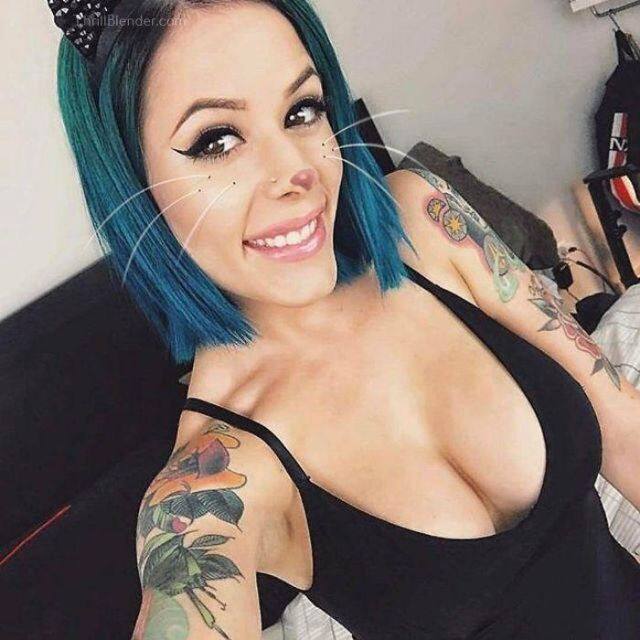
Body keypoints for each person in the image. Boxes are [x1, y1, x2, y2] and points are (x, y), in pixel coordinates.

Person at [49, 0, 640, 638]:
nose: (296, 171)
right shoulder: (210, 487)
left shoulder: (424, 224)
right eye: (216, 140)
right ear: (131, 178)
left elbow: (626, 431)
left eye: (302, 111)